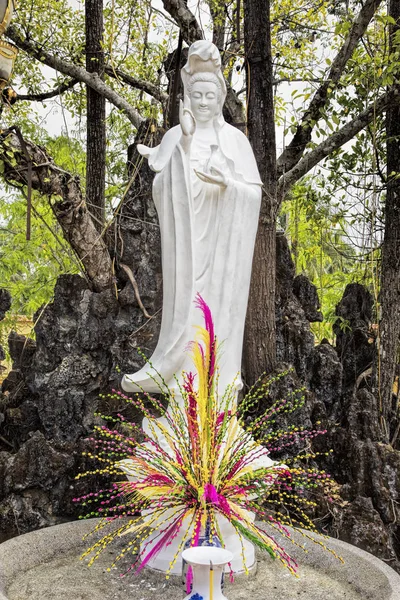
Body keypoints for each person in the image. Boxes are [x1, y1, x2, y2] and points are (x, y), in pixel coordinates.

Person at [122, 40, 262, 397]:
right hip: (188, 262)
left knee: (218, 330)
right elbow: (160, 192)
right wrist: (183, 145)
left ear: (221, 99)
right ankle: (183, 405)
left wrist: (229, 185)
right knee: (189, 328)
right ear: (187, 96)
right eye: (196, 95)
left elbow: (254, 195)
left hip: (222, 261)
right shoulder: (175, 136)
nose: (202, 102)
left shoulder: (235, 142)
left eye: (209, 96)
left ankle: (216, 408)